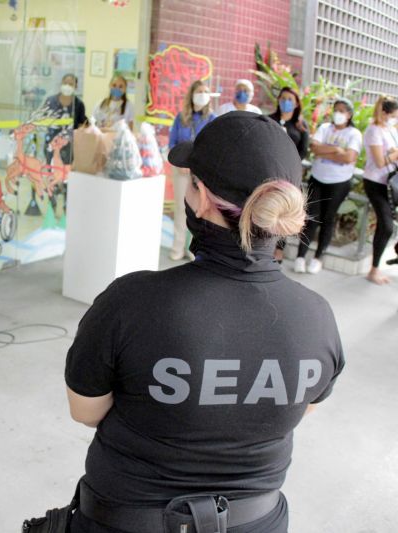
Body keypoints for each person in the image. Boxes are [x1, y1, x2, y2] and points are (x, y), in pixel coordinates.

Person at [65, 112, 344, 533]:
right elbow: (300, 408)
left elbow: (85, 411)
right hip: (258, 523)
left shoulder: (130, 302)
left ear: (203, 199)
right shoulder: (318, 317)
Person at [294, 98, 362, 275]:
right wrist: (337, 150)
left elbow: (349, 158)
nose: (338, 114)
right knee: (311, 217)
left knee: (328, 219)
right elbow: (315, 149)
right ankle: (300, 256)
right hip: (317, 178)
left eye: (342, 111)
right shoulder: (325, 128)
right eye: (336, 110)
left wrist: (328, 150)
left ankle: (318, 258)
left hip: (339, 183)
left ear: (349, 114)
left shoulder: (354, 134)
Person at [167, 80, 216, 260]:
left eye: (205, 91)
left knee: (199, 209)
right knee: (181, 208)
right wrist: (180, 163)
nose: (202, 94)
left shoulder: (212, 118)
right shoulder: (181, 117)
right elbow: (172, 143)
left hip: (201, 172)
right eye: (199, 91)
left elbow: (213, 145)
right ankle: (177, 247)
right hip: (181, 171)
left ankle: (193, 248)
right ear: (192, 94)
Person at [269, 86, 309, 262]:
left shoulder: (300, 126)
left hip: (289, 176)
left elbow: (303, 152)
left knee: (283, 212)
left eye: (290, 99)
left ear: (296, 104)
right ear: (278, 100)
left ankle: (279, 249)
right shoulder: (269, 120)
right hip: (267, 172)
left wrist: (288, 164)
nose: (286, 102)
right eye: (283, 98)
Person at [362, 95, 398, 284]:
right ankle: (374, 270)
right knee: (386, 225)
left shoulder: (390, 129)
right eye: (394, 115)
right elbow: (380, 161)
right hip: (375, 182)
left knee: (389, 226)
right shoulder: (374, 130)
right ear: (384, 113)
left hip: (391, 184)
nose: (395, 119)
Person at [42, 73, 86, 165]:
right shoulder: (51, 101)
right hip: (51, 143)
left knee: (65, 175)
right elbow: (43, 119)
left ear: (76, 86)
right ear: (61, 84)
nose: (67, 86)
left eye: (71, 84)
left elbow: (81, 125)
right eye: (65, 83)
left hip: (69, 148)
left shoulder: (78, 104)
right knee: (51, 172)